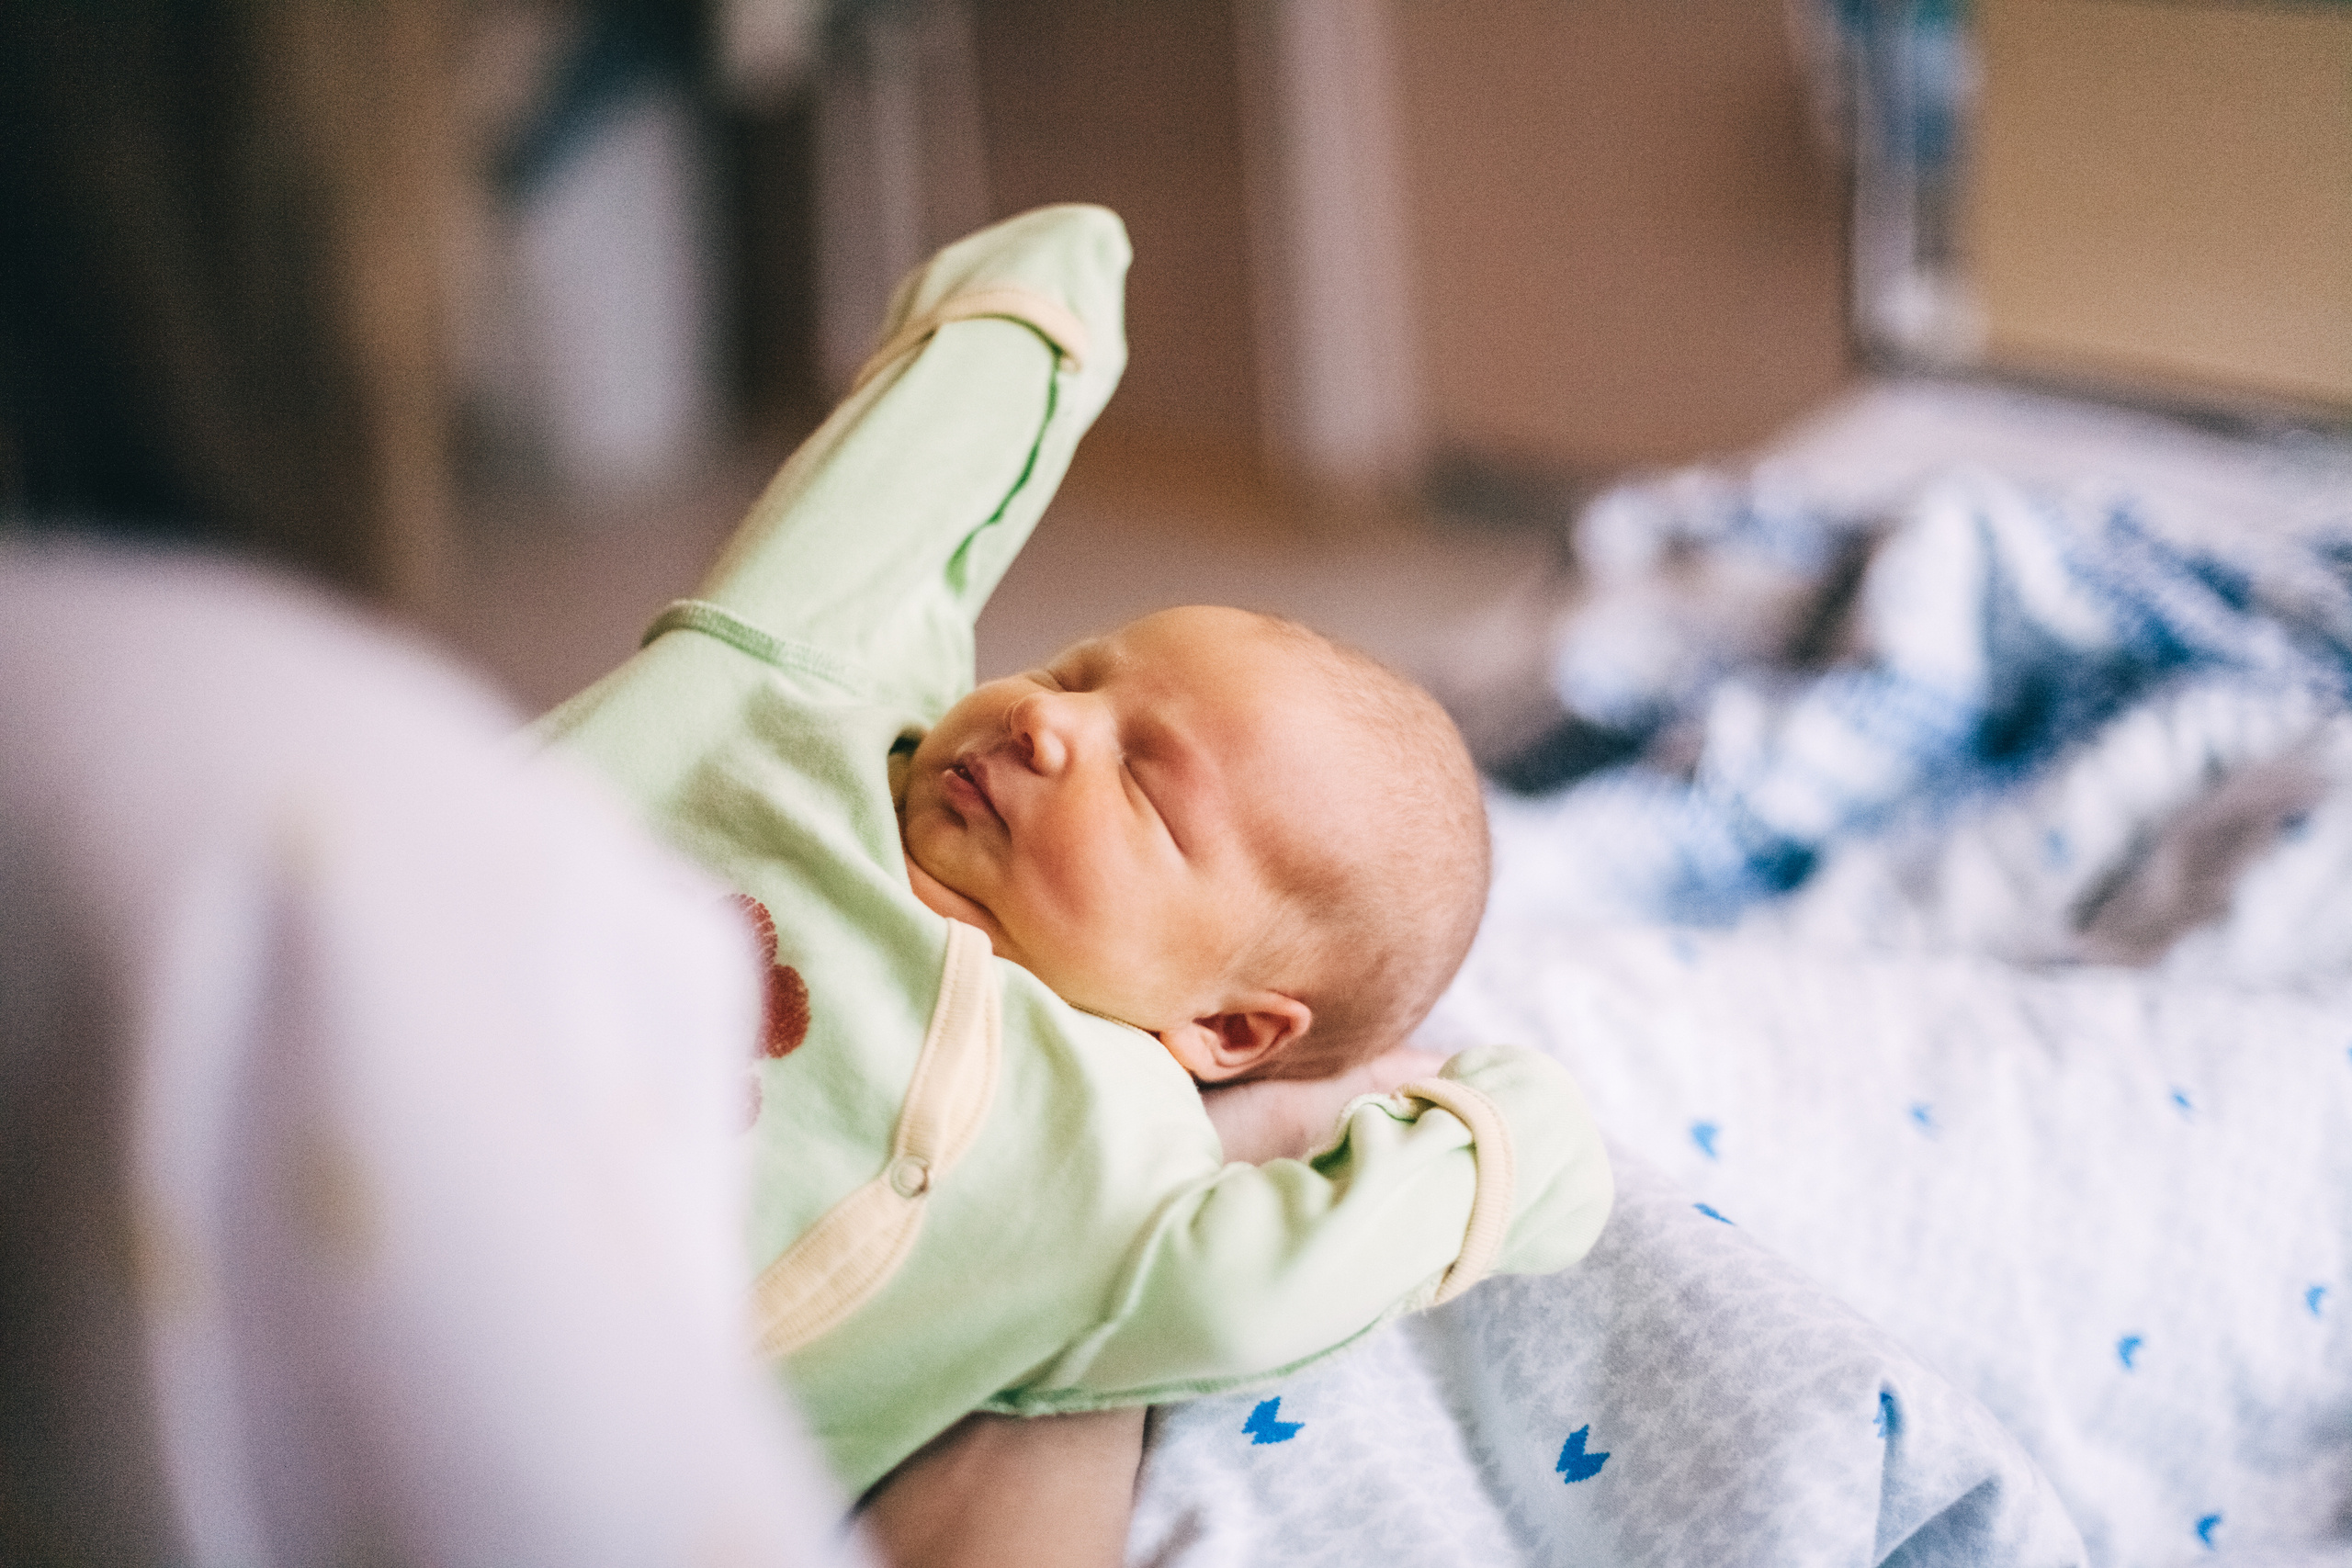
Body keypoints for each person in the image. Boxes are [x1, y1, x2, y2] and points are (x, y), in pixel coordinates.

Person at [536, 203, 1614, 1498]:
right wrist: (1042, 315)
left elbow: (1256, 1298)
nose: (1048, 721)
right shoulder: (807, 694)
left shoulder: (1113, 1164)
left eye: (1148, 790)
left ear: (1229, 1035)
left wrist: (1502, 1142)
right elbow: (909, 485)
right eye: (1075, 671)